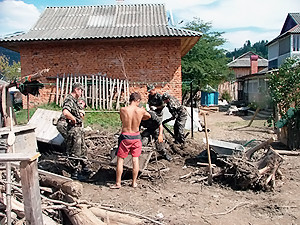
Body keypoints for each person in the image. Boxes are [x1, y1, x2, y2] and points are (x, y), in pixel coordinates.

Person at [111, 92, 151, 189]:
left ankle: (118, 183)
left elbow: (122, 120)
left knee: (120, 159)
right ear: (137, 100)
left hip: (125, 136)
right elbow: (148, 116)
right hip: (136, 136)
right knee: (135, 159)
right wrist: (141, 113)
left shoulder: (123, 109)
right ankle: (134, 182)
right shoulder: (140, 110)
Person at [56, 82, 89, 179]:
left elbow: (78, 112)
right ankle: (74, 173)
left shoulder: (75, 101)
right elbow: (65, 112)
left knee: (82, 148)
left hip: (77, 129)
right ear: (76, 90)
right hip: (72, 129)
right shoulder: (69, 99)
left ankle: (84, 168)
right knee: (75, 149)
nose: (82, 92)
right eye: (81, 90)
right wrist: (73, 119)